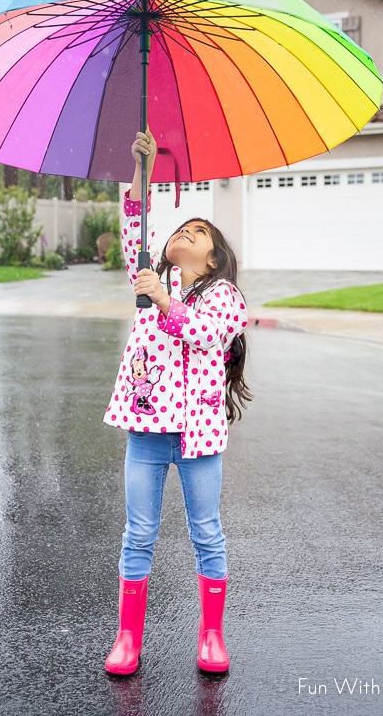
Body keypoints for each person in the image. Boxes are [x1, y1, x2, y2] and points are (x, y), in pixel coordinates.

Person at [104, 130, 252, 676]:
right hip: (147, 427)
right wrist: (140, 167)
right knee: (138, 532)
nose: (181, 233)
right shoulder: (150, 275)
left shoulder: (224, 296)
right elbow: (131, 222)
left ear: (212, 257)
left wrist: (165, 301)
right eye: (180, 228)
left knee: (205, 531)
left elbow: (207, 336)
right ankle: (127, 638)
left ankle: (211, 636)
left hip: (198, 433)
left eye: (196, 231)